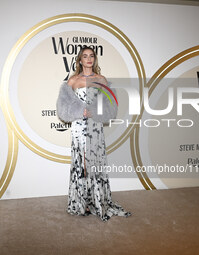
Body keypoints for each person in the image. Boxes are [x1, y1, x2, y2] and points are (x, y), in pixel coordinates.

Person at [56, 46, 132, 222]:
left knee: (95, 161)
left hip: (95, 126)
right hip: (78, 127)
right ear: (80, 60)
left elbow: (111, 106)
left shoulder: (101, 79)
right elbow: (62, 108)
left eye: (91, 56)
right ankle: (82, 202)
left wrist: (95, 112)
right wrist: (79, 112)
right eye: (85, 56)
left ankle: (97, 199)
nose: (88, 59)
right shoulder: (73, 81)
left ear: (94, 59)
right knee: (81, 162)